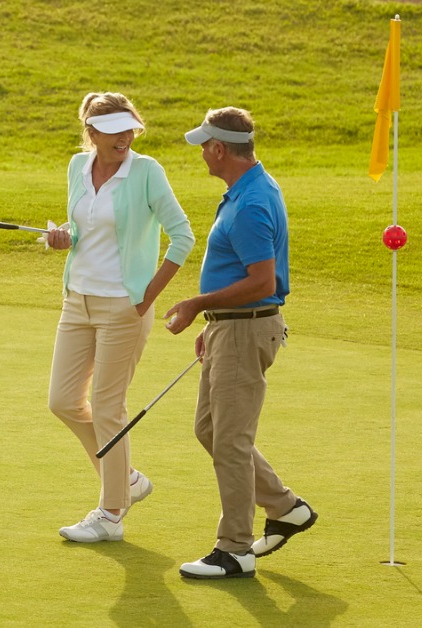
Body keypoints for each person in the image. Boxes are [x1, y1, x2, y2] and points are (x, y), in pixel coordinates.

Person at [162, 107, 317, 578]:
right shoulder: (246, 190)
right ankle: (285, 507)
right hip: (231, 327)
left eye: (204, 146)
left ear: (219, 149)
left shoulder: (250, 203)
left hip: (246, 326)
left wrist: (195, 305)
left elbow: (261, 281)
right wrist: (214, 322)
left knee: (230, 440)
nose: (201, 154)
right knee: (211, 430)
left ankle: (234, 550)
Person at [47, 92, 195, 543]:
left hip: (124, 307)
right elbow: (85, 226)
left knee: (109, 408)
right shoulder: (78, 166)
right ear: (91, 133)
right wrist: (61, 237)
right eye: (113, 132)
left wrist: (146, 295)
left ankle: (111, 514)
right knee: (63, 400)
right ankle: (127, 478)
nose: (124, 138)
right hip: (78, 301)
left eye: (129, 129)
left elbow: (183, 236)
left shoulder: (147, 172)